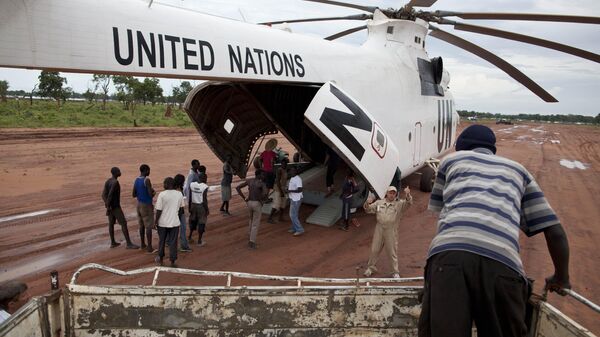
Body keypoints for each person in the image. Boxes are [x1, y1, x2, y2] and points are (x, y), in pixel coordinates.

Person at [418, 124, 571, 337]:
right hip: (503, 264)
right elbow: (554, 231)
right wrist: (561, 277)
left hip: (449, 256)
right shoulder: (519, 171)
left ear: (461, 148)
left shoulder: (451, 161)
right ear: (492, 149)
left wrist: (433, 280)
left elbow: (442, 212)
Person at [363, 185, 412, 278]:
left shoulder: (399, 204)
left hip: (391, 230)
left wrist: (408, 194)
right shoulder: (379, 203)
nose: (392, 195)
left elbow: (409, 203)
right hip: (379, 228)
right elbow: (368, 210)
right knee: (374, 250)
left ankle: (395, 272)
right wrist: (367, 203)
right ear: (386, 193)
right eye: (390, 192)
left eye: (394, 193)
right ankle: (370, 268)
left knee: (392, 252)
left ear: (396, 195)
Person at [101, 167, 139, 249]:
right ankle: (129, 243)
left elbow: (103, 195)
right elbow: (110, 195)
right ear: (115, 173)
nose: (120, 172)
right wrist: (108, 206)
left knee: (111, 224)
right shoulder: (115, 182)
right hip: (115, 207)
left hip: (110, 207)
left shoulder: (108, 181)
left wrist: (107, 205)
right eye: (119, 171)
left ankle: (113, 242)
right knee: (123, 223)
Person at [154, 177, 184, 268]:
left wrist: (156, 221)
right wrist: (176, 218)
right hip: (174, 223)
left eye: (164, 183)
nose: (163, 185)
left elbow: (159, 210)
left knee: (162, 241)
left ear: (167, 184)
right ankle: (173, 260)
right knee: (173, 242)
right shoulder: (179, 194)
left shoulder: (162, 194)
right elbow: (181, 210)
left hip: (162, 223)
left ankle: (161, 258)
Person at [236, 169, 268, 249]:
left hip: (249, 202)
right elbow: (264, 194)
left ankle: (250, 235)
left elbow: (238, 187)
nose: (263, 176)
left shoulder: (250, 181)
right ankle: (252, 242)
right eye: (262, 174)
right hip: (257, 204)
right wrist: (262, 200)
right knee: (255, 224)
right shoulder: (261, 183)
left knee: (251, 220)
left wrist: (244, 198)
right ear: (259, 175)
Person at [132, 164, 156, 253]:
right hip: (146, 205)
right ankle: (149, 248)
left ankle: (143, 244)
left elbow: (133, 194)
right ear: (145, 170)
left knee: (141, 225)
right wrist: (154, 193)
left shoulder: (137, 180)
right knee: (149, 226)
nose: (149, 172)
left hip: (139, 204)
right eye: (148, 170)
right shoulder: (147, 180)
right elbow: (150, 194)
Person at [188, 174, 209, 246]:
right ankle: (199, 240)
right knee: (202, 222)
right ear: (203, 178)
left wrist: (189, 206)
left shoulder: (192, 184)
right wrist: (207, 209)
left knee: (193, 221)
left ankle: (190, 237)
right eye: (206, 178)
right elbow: (204, 199)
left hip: (193, 205)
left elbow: (190, 197)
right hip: (201, 206)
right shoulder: (205, 186)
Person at [173, 174, 192, 253]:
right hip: (179, 212)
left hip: (173, 212)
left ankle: (168, 242)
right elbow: (180, 206)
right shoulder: (179, 191)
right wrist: (180, 215)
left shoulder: (173, 189)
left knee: (172, 229)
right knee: (183, 229)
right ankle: (184, 246)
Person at [268, 158, 288, 223]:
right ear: (281, 164)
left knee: (283, 204)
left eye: (285, 163)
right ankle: (270, 218)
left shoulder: (285, 170)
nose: (284, 165)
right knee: (276, 204)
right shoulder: (280, 170)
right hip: (278, 189)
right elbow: (277, 181)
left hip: (283, 188)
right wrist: (281, 191)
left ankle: (280, 217)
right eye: (283, 163)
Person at [287, 167, 305, 236]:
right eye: (290, 171)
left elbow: (300, 189)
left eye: (291, 171)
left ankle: (300, 229)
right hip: (293, 198)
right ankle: (294, 228)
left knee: (292, 215)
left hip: (296, 199)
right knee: (294, 214)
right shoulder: (292, 178)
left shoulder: (298, 179)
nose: (290, 172)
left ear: (295, 172)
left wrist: (290, 191)